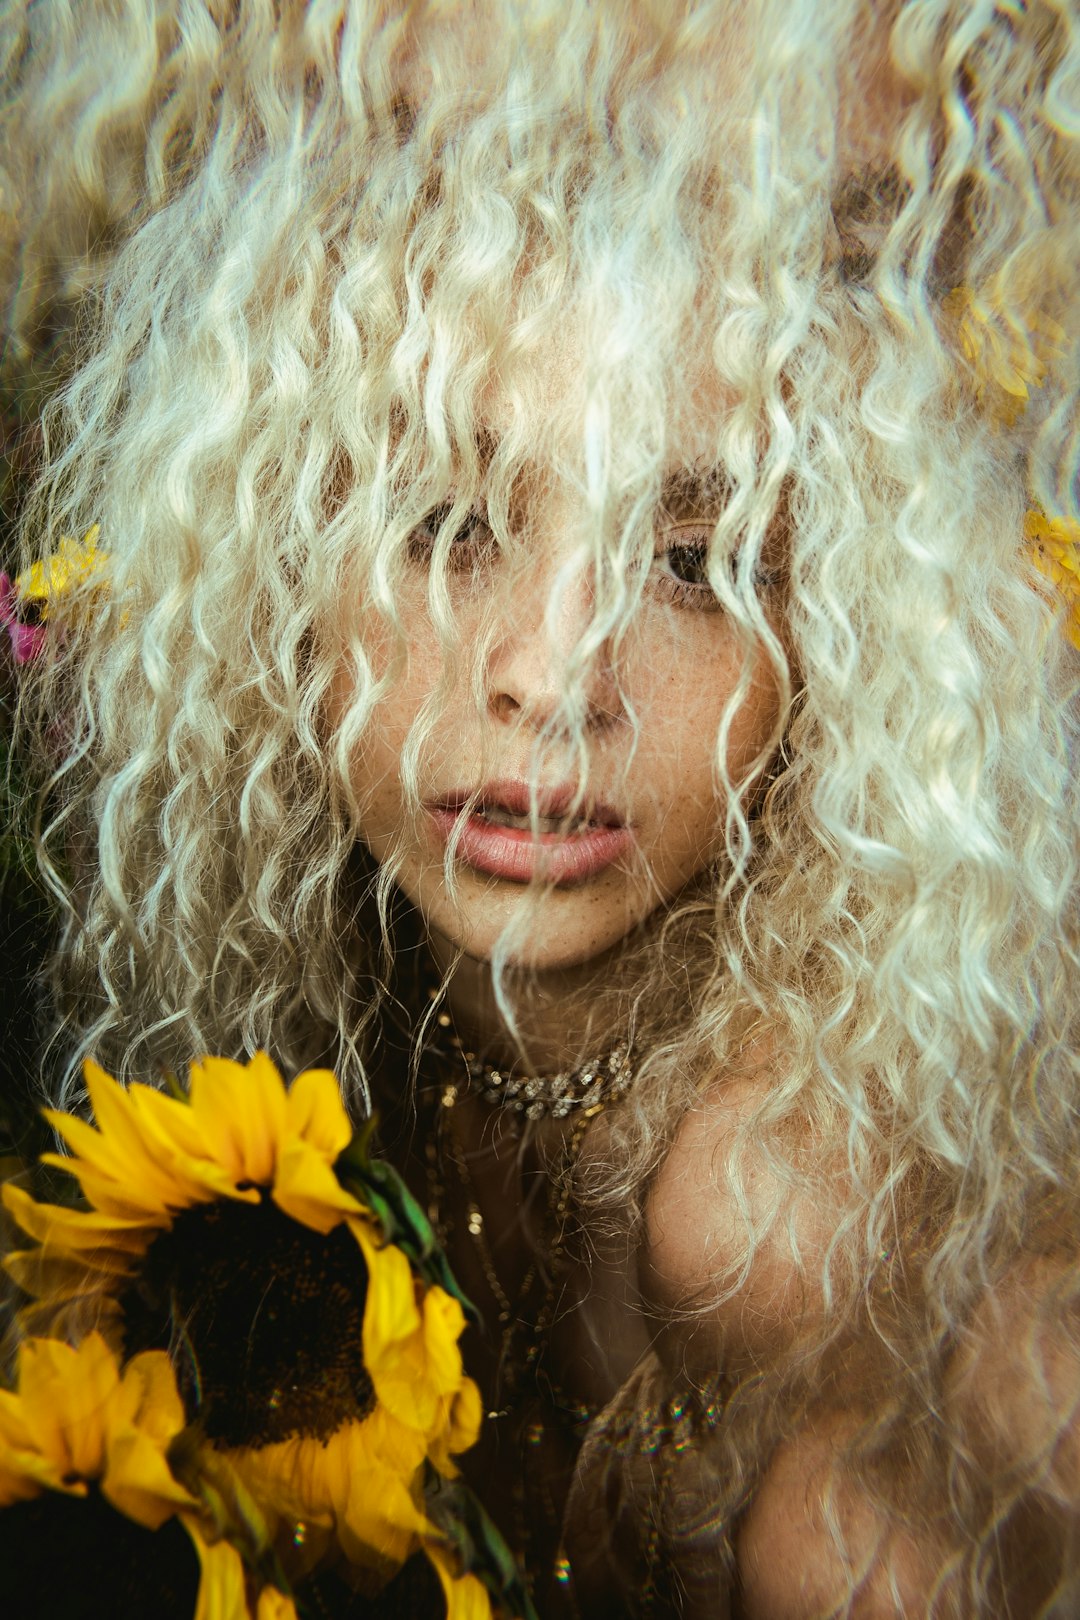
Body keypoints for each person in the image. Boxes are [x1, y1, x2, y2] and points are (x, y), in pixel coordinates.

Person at [2, 1, 1079, 1614]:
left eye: (697, 566)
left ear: (848, 645)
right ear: (270, 559)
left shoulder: (785, 1214)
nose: (552, 679)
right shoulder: (246, 968)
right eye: (448, 524)